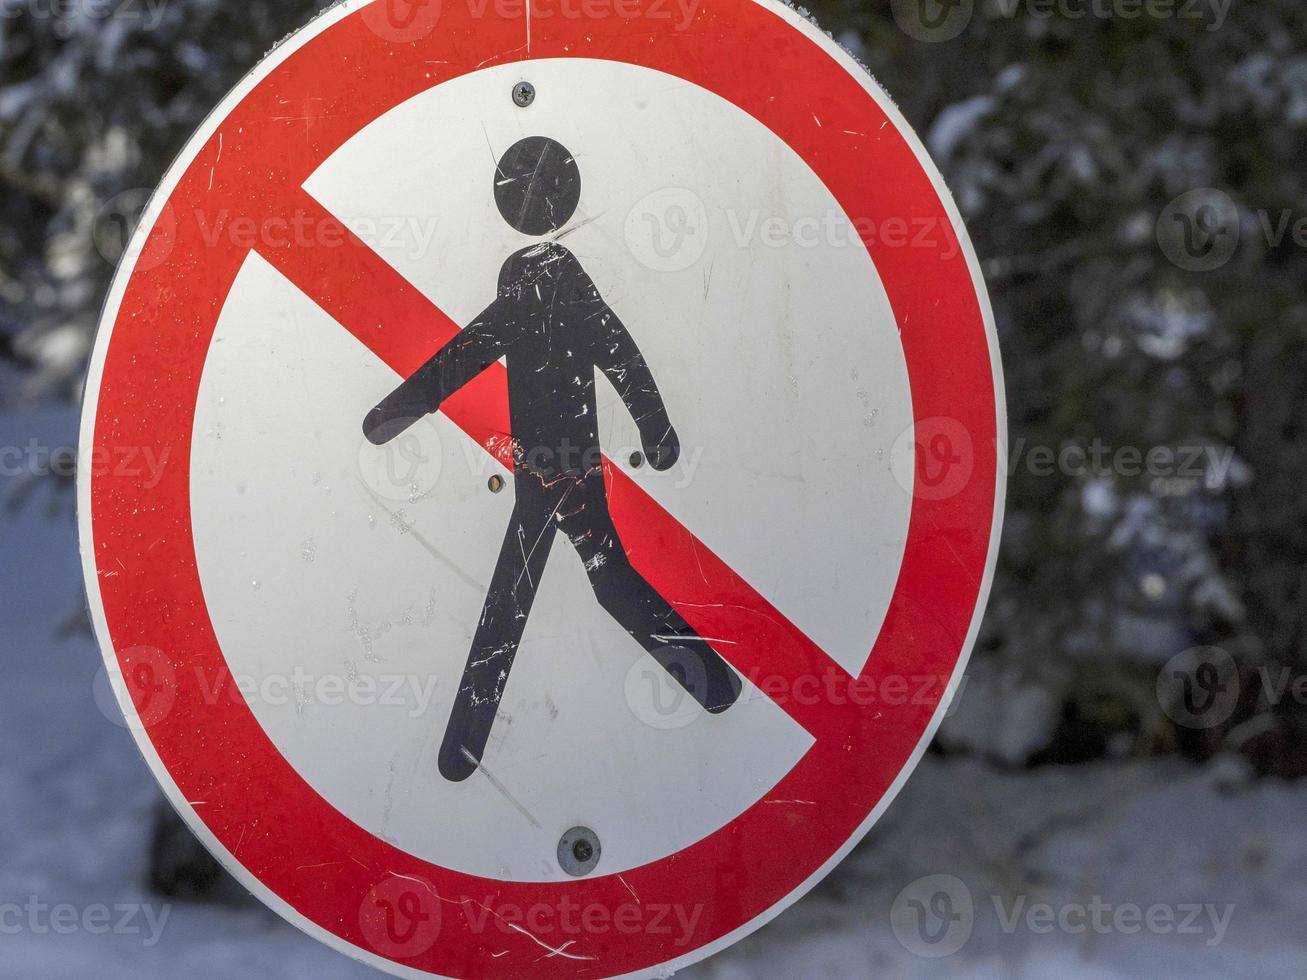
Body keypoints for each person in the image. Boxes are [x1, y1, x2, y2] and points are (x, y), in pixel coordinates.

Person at [364, 136, 741, 782]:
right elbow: (478, 353)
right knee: (575, 587)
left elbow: (481, 353)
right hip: (547, 472)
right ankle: (710, 686)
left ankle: (463, 748)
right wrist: (392, 416)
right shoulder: (542, 282)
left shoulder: (542, 282)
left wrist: (657, 430)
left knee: (549, 592)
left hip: (557, 471)